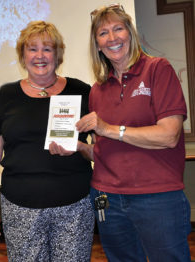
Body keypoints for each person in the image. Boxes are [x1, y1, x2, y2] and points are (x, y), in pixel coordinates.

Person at [75, 4, 191, 262]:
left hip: (157, 196)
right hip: (107, 197)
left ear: (130, 33)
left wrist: (109, 128)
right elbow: (105, 151)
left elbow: (169, 135)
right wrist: (79, 148)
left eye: (118, 29)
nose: (112, 38)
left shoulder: (157, 70)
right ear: (97, 44)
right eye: (103, 33)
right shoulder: (97, 89)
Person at [0, 21, 94, 262]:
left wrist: (82, 148)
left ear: (58, 54)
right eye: (32, 49)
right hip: (20, 208)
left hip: (74, 207)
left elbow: (104, 151)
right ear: (23, 55)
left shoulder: (83, 92)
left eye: (48, 48)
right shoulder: (6, 96)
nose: (40, 56)